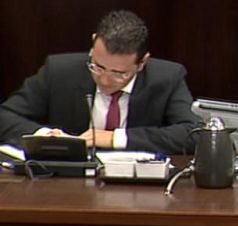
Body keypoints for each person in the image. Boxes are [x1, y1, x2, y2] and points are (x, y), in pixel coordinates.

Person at [0, 10, 198, 154]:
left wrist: (114, 138)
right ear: (93, 43)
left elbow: (193, 133)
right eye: (98, 67)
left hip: (136, 188)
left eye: (119, 73)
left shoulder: (167, 78)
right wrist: (46, 137)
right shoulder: (59, 71)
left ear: (142, 63)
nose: (104, 80)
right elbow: (5, 116)